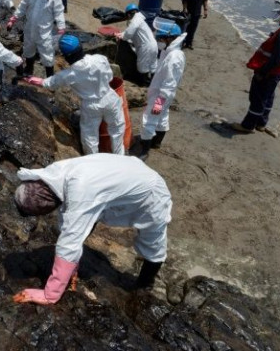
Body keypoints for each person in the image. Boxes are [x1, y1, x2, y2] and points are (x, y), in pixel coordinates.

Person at [11, 154, 173, 305]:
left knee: (153, 240)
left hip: (150, 191)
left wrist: (50, 294)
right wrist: (70, 267)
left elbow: (70, 240)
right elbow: (68, 218)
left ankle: (145, 284)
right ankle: (70, 268)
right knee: (83, 220)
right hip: (123, 172)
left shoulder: (80, 191)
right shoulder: (51, 175)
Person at [24, 35, 126, 155]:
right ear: (81, 47)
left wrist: (29, 79)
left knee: (90, 137)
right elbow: (109, 77)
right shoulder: (100, 59)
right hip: (110, 98)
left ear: (67, 57)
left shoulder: (69, 74)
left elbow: (48, 83)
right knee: (117, 130)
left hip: (91, 106)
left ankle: (94, 163)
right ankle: (120, 158)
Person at [231, 0, 280, 136]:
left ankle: (248, 125)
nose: (278, 12)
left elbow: (276, 58)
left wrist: (262, 72)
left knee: (257, 98)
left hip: (270, 71)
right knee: (268, 95)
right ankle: (261, 123)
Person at [6, 0, 66, 78]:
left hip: (44, 32)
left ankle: (50, 77)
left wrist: (61, 27)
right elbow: (22, 7)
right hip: (29, 28)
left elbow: (59, 12)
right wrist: (13, 19)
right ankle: (29, 69)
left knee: (47, 54)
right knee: (28, 49)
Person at [139, 20, 187, 160]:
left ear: (169, 38)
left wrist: (158, 102)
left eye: (160, 39)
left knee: (149, 119)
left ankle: (144, 151)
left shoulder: (173, 57)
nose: (158, 41)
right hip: (164, 94)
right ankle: (157, 142)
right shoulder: (171, 51)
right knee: (162, 117)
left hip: (162, 95)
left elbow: (169, 83)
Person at [115, 3, 158, 86]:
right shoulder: (139, 19)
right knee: (153, 65)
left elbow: (129, 33)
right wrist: (121, 34)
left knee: (142, 67)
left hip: (146, 47)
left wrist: (122, 36)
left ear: (128, 14)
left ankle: (145, 84)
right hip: (153, 44)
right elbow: (131, 33)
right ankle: (154, 82)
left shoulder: (135, 20)